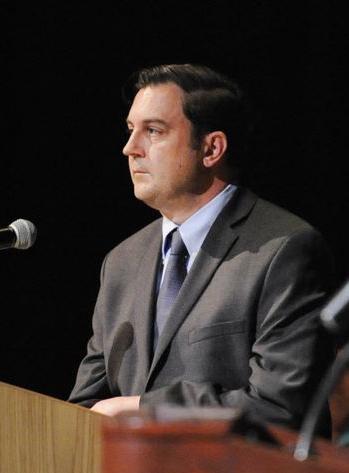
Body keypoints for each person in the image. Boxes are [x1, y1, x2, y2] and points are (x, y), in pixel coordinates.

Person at [69, 64, 333, 434]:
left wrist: (144, 408)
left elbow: (278, 407)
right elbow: (87, 406)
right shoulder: (121, 263)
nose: (130, 148)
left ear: (211, 148)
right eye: (131, 130)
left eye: (153, 131)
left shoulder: (283, 249)